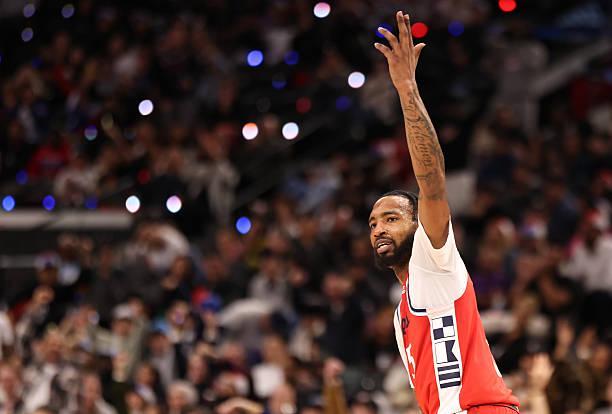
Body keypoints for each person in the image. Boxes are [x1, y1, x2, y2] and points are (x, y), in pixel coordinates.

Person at [369, 11, 520, 414]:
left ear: (419, 225)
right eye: (373, 223)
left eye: (391, 218)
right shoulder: (401, 310)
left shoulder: (433, 258)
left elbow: (432, 181)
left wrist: (406, 89)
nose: (379, 228)